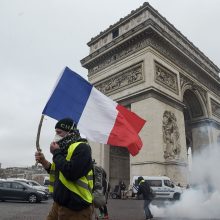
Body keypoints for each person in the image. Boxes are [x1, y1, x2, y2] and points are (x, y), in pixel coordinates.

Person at [35, 118, 93, 220]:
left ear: (70, 132)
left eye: (59, 132)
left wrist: (56, 153)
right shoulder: (65, 149)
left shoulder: (83, 147)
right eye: (55, 132)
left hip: (76, 207)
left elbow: (71, 173)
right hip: (58, 204)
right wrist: (43, 161)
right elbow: (57, 171)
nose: (56, 136)